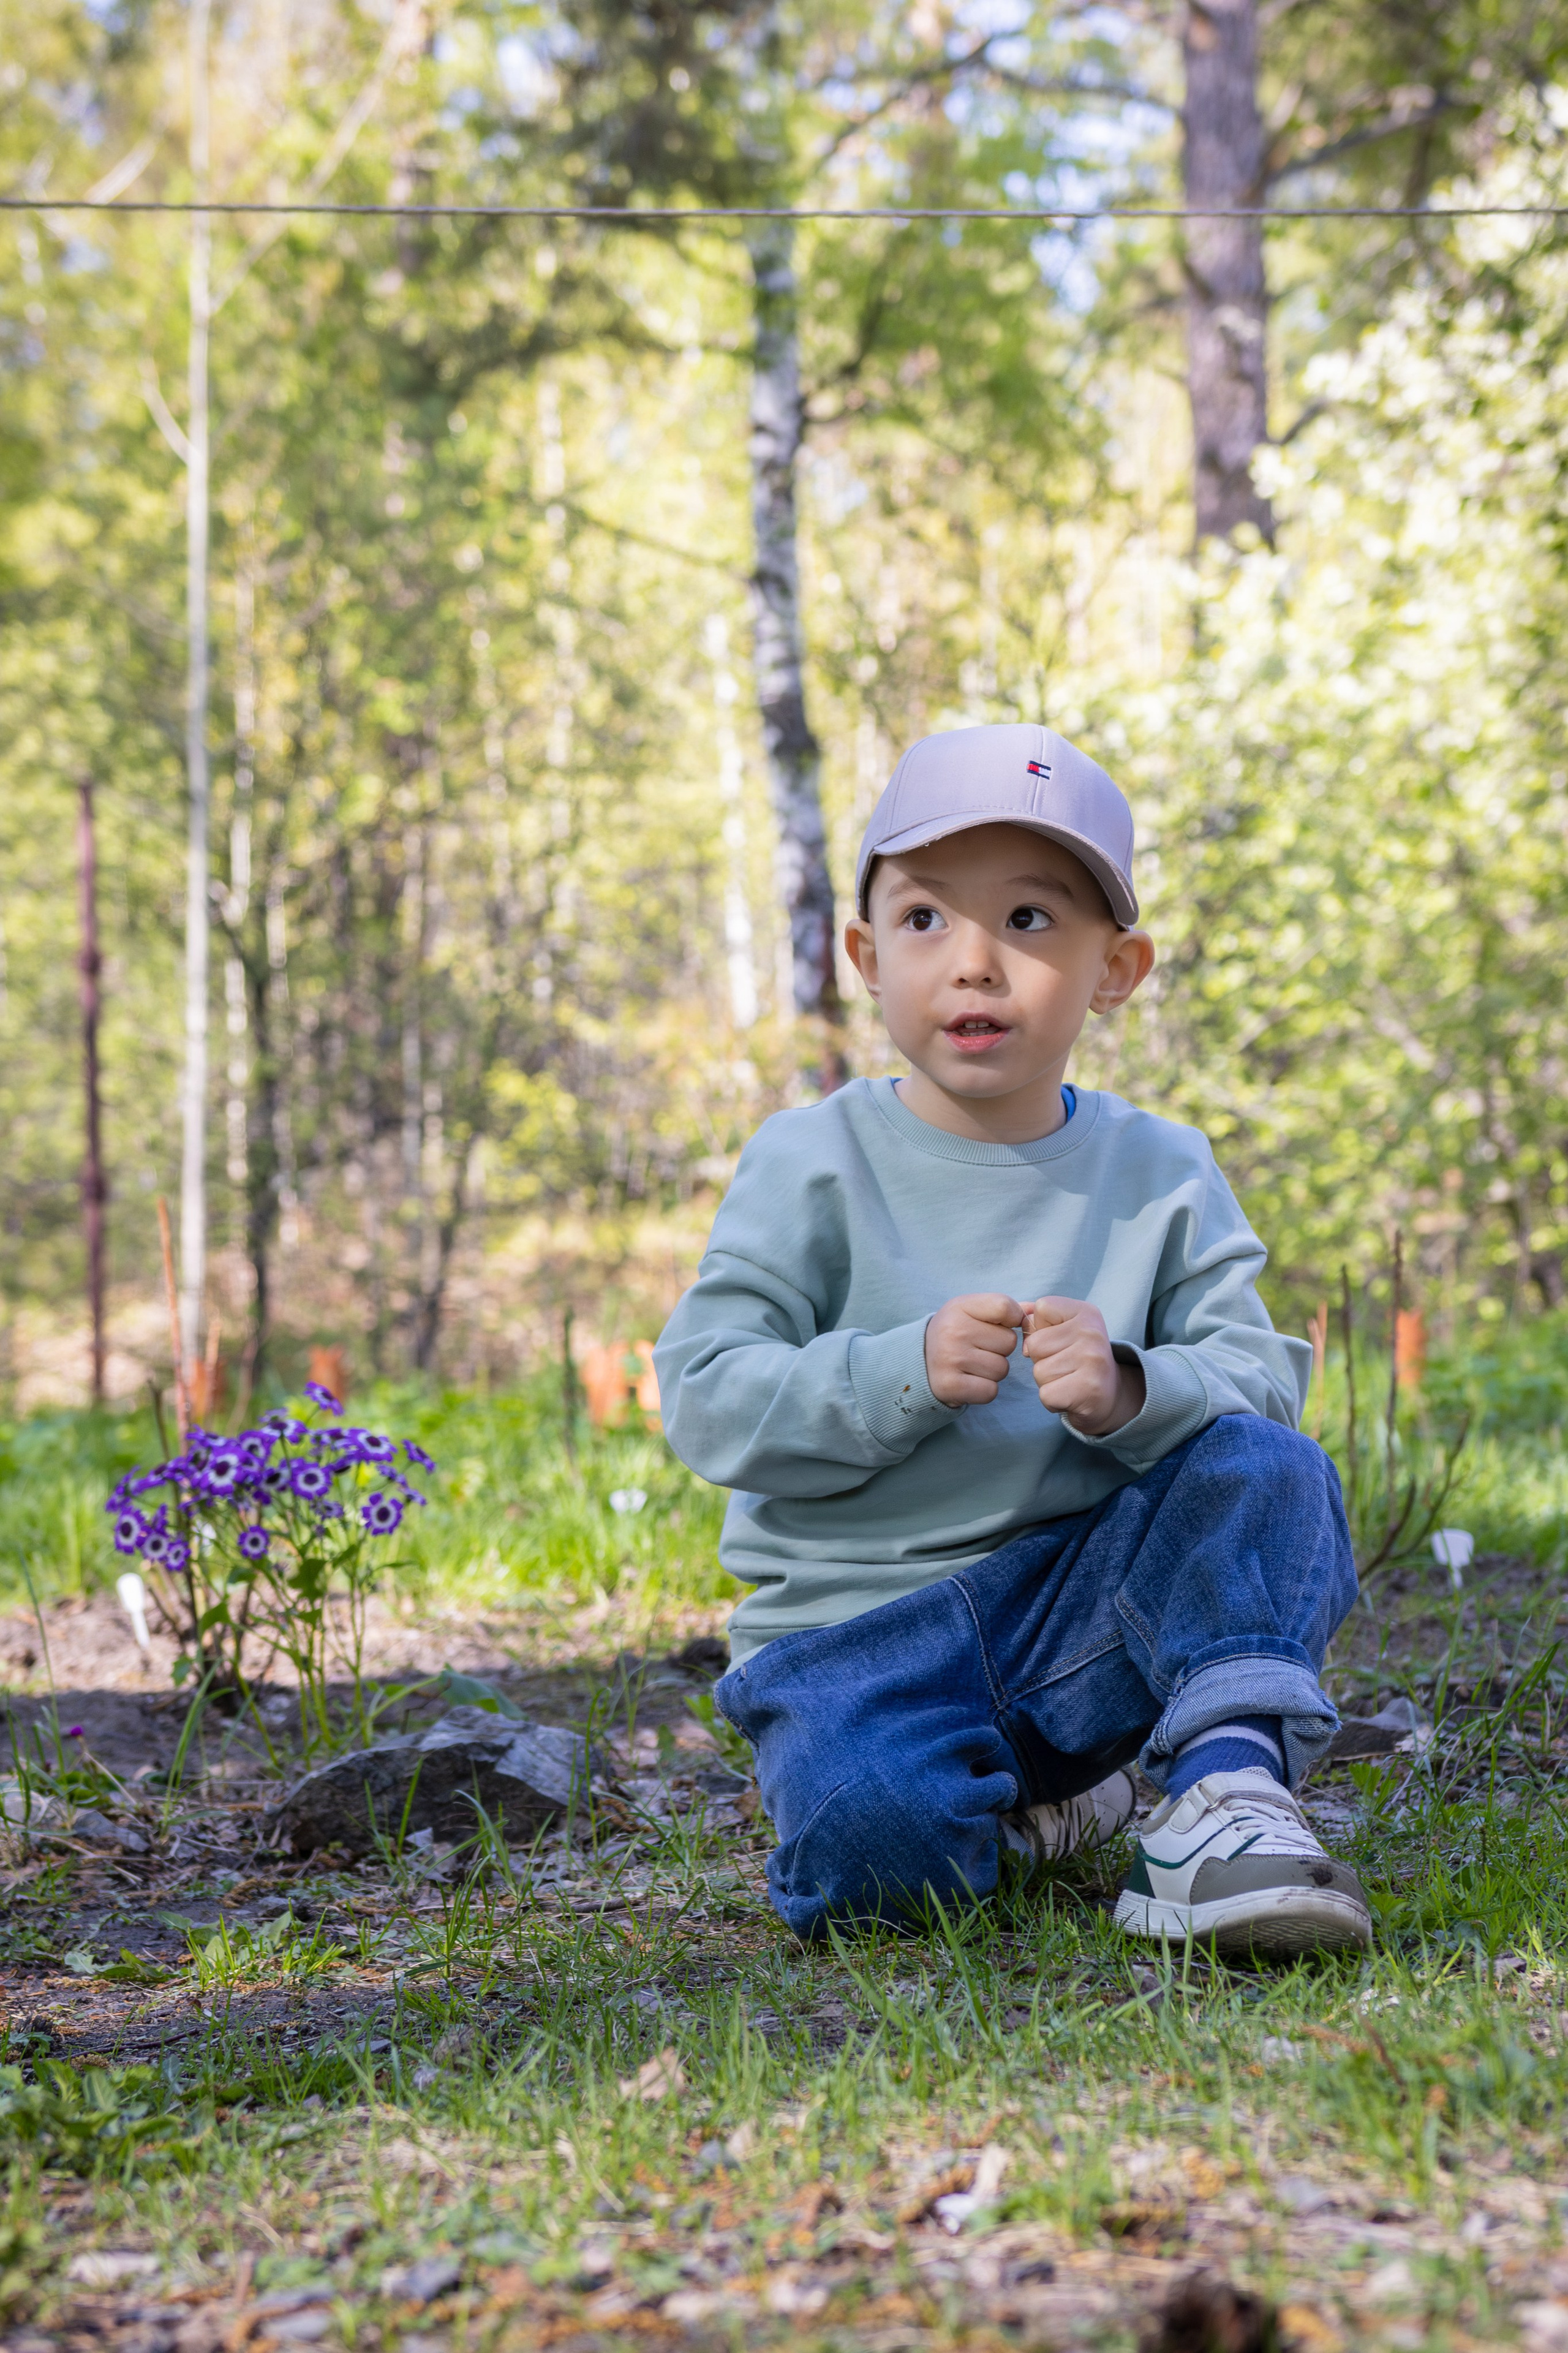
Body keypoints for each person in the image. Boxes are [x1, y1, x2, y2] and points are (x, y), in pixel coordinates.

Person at [654, 722, 1370, 1958]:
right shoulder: (808, 1161)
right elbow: (708, 1396)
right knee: (874, 1866)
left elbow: (1260, 1386)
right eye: (927, 918)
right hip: (855, 1641)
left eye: (1029, 919)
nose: (974, 963)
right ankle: (1051, 1816)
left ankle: (1223, 1788)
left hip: (1083, 1612)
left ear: (1116, 969)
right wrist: (895, 1371)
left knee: (1268, 1468)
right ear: (867, 955)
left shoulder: (1161, 1171)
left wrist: (1134, 1386)